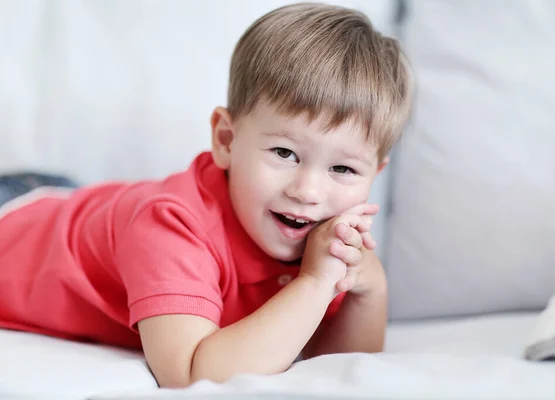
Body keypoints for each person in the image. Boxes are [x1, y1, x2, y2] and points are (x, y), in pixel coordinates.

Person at [0, 2, 411, 388]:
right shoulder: (170, 224)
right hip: (14, 218)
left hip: (77, 205)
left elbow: (339, 365)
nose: (308, 191)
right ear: (226, 140)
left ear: (374, 174)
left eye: (343, 169)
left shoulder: (322, 238)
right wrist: (316, 283)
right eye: (285, 153)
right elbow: (190, 374)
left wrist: (368, 289)